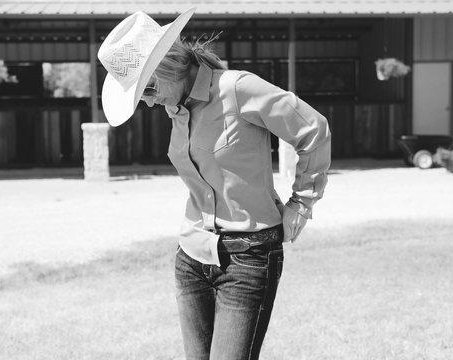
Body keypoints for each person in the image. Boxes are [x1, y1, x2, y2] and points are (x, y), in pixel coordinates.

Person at [98, 8, 331, 360]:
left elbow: (313, 128)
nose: (147, 101)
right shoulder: (175, 107)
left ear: (170, 64)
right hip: (191, 257)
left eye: (146, 88)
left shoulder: (238, 89)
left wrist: (302, 202)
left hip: (249, 257)